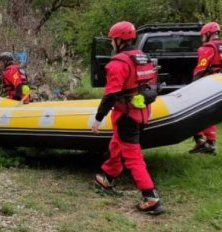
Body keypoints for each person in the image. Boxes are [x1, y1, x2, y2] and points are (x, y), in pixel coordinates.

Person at [91, 21, 163, 215]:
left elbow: (111, 94)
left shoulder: (119, 63)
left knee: (133, 157)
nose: (111, 44)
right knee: (117, 143)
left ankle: (151, 197)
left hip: (126, 115)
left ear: (118, 40)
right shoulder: (143, 57)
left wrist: (98, 118)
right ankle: (107, 176)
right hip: (142, 112)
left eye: (112, 40)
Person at [189, 22, 222, 154]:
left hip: (209, 83)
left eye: (203, 36)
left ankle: (201, 142)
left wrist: (193, 86)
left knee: (199, 112)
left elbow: (200, 69)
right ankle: (209, 143)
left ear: (208, 34)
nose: (202, 38)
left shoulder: (207, 48)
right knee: (211, 114)